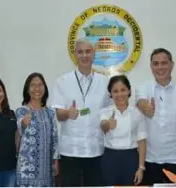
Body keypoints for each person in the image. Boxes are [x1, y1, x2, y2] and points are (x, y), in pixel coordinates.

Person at [50, 38, 111, 186]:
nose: (84, 55)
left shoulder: (105, 82)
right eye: (80, 52)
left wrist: (108, 123)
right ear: (75, 55)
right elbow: (58, 115)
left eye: (88, 51)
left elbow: (109, 112)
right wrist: (67, 113)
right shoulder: (62, 81)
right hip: (70, 150)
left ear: (93, 54)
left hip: (95, 149)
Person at [135, 48, 176, 185]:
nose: (160, 67)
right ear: (151, 66)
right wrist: (146, 107)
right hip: (150, 159)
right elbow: (140, 102)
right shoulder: (143, 87)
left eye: (164, 63)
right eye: (155, 64)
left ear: (172, 65)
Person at [99, 75, 147, 186]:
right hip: (110, 158)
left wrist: (141, 168)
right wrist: (108, 124)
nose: (119, 94)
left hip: (131, 158)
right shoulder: (105, 111)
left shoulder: (137, 113)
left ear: (129, 90)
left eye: (123, 90)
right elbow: (102, 126)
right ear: (110, 94)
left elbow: (142, 142)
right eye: (115, 91)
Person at [16, 73, 59, 187]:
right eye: (33, 85)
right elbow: (20, 129)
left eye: (40, 85)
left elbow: (54, 138)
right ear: (27, 89)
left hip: (47, 169)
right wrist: (24, 123)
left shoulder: (51, 112)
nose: (37, 88)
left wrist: (56, 161)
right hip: (27, 171)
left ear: (45, 88)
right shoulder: (22, 111)